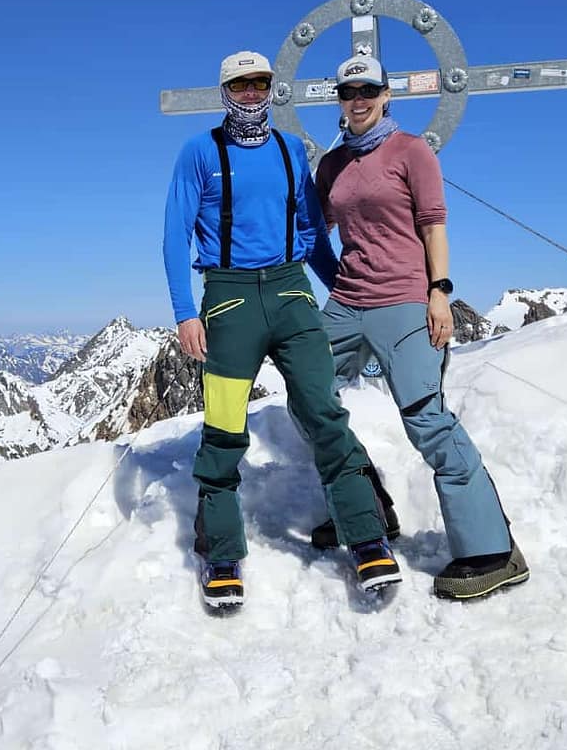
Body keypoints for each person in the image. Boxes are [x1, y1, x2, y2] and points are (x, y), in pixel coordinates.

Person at [163, 50, 402, 612]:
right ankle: (221, 551)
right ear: (225, 90)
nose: (251, 92)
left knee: (324, 412)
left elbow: (314, 233)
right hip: (228, 299)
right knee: (224, 426)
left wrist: (346, 289)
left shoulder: (293, 151)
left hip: (293, 292)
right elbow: (175, 236)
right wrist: (184, 311)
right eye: (239, 84)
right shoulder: (200, 152)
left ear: (273, 87)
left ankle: (366, 538)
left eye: (260, 83)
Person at [310, 54, 530, 601]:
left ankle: (491, 552)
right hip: (346, 301)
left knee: (425, 418)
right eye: (347, 91)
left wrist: (439, 294)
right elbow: (314, 230)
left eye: (367, 90)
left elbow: (434, 226)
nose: (357, 100)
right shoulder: (332, 166)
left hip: (405, 300)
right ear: (338, 99)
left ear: (387, 95)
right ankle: (365, 510)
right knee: (308, 396)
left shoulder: (411, 152)